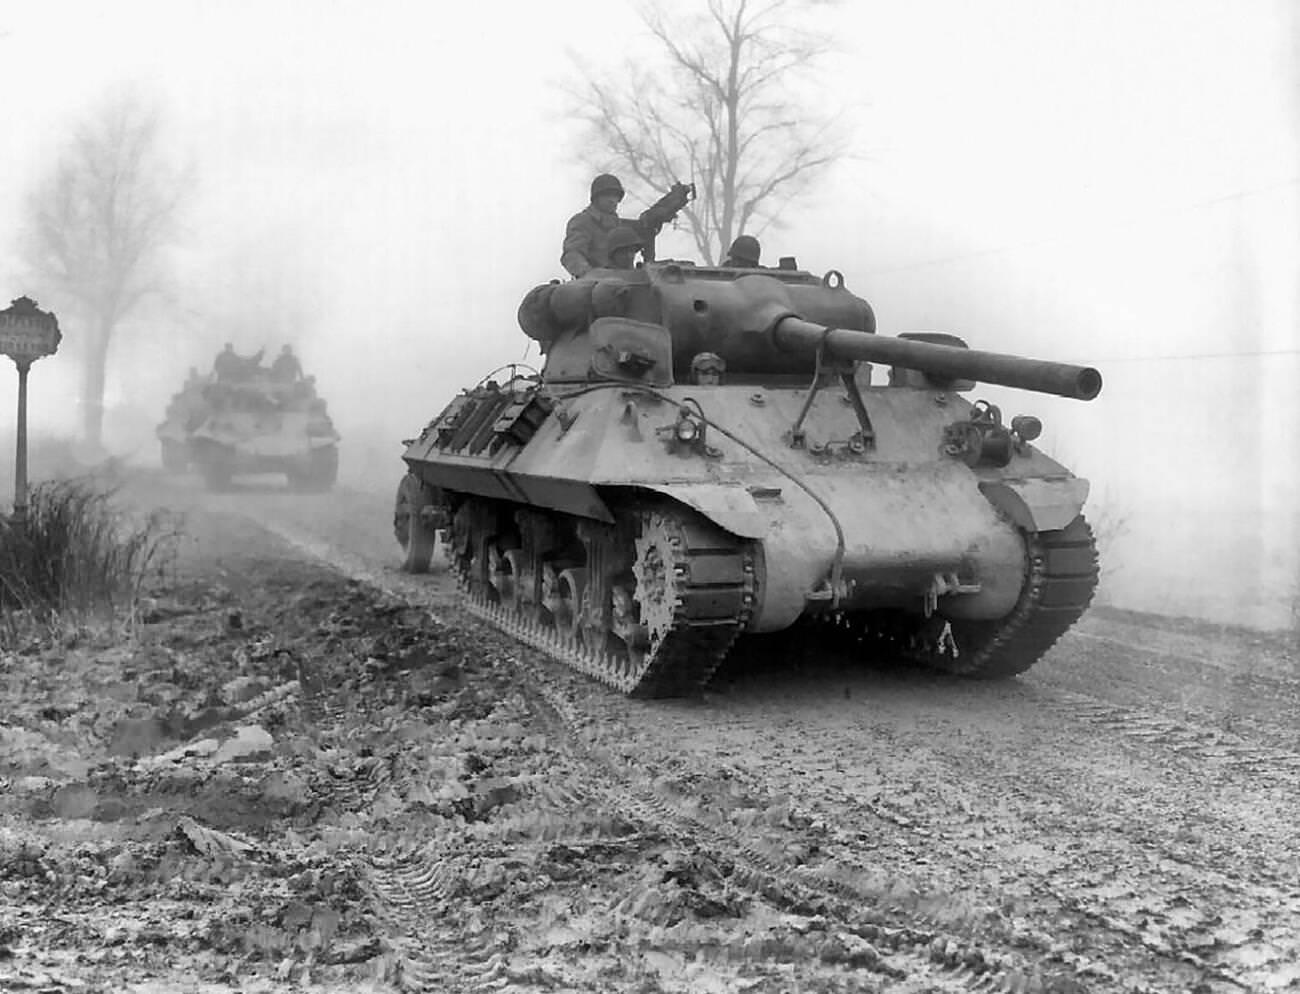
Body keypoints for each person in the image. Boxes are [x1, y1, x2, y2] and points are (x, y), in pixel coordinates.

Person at [560, 173, 693, 278]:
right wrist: (589, 274)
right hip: (595, 290)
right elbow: (572, 254)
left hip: (625, 283)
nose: (613, 200)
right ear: (596, 198)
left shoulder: (621, 226)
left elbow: (646, 224)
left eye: (616, 196)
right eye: (608, 195)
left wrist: (670, 205)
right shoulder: (583, 222)